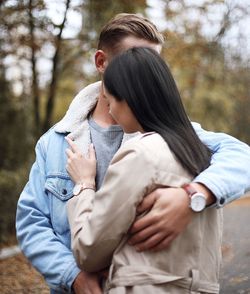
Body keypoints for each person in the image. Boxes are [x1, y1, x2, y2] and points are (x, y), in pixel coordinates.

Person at [16, 13, 250, 294]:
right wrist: (73, 275)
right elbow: (32, 222)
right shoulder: (54, 142)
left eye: (154, 61)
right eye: (135, 57)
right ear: (101, 62)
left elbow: (242, 156)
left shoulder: (179, 134)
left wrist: (193, 195)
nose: (146, 69)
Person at [66, 46, 223, 293]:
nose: (110, 110)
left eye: (112, 99)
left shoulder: (140, 154)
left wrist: (84, 185)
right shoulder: (202, 155)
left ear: (129, 99)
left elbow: (88, 251)